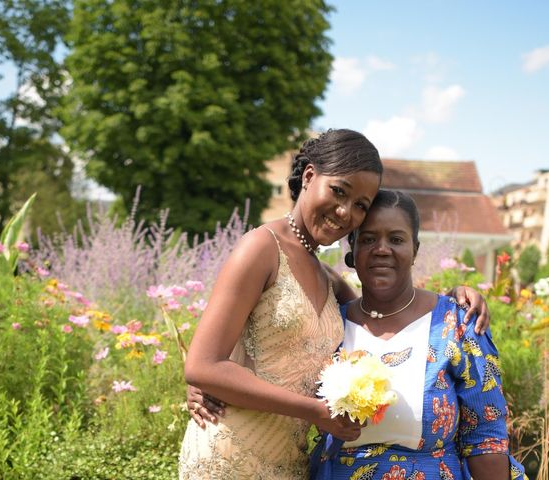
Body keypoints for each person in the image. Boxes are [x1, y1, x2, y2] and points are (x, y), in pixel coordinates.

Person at [179, 129, 492, 480]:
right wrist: (312, 410)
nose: (345, 212)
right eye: (339, 191)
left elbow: (381, 318)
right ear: (310, 176)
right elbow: (203, 365)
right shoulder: (260, 248)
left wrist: (452, 297)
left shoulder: (327, 277)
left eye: (360, 205)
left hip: (289, 460)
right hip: (232, 451)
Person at [310, 189, 525, 480]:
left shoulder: (456, 324)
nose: (382, 249)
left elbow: (485, 437)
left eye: (396, 239)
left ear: (415, 250)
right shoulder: (332, 324)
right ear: (353, 248)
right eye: (369, 239)